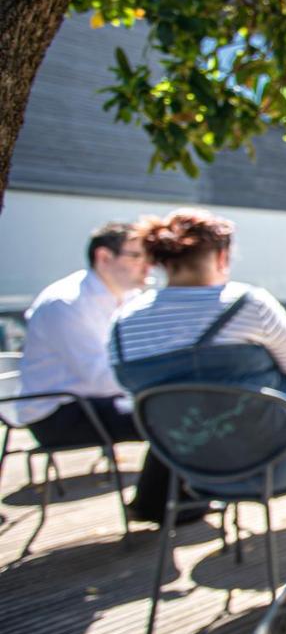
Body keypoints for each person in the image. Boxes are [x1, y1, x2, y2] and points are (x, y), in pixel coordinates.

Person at [110, 209, 286, 496]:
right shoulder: (246, 304)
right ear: (222, 256)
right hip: (281, 458)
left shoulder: (123, 325)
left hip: (195, 469)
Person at [15, 221, 185, 521]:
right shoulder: (66, 304)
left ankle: (172, 498)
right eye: (136, 256)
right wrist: (161, 380)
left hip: (98, 400)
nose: (148, 266)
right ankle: (156, 504)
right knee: (171, 415)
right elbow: (100, 377)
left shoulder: (130, 299)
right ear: (104, 257)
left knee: (178, 407)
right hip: (59, 413)